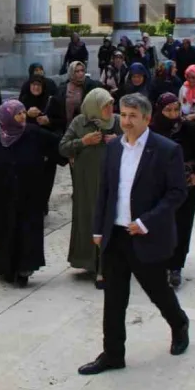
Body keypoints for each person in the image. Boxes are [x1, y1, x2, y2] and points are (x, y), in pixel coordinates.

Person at [77, 93, 190, 376]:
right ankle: (113, 354)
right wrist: (98, 229)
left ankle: (179, 324)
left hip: (145, 235)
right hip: (115, 235)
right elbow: (105, 190)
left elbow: (177, 193)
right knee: (114, 299)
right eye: (123, 115)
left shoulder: (166, 150)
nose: (125, 122)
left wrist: (146, 221)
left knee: (158, 292)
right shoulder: (113, 148)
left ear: (147, 119)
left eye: (132, 117)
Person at [0, 100, 60, 287]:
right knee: (3, 232)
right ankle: (5, 268)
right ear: (5, 117)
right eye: (18, 114)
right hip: (0, 195)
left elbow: (59, 146)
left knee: (26, 232)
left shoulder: (33, 133)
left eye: (23, 112)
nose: (22, 116)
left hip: (29, 194)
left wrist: (77, 147)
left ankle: (24, 270)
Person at [60, 88, 122, 289]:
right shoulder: (80, 122)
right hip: (86, 182)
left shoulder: (119, 122)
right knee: (89, 218)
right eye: (105, 106)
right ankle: (90, 262)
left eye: (111, 104)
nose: (110, 109)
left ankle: (107, 267)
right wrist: (83, 141)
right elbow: (63, 146)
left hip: (113, 181)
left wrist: (119, 141)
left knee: (109, 220)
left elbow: (138, 141)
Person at [151, 93, 195, 289]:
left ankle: (176, 266)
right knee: (159, 224)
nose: (172, 114)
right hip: (159, 186)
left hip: (185, 184)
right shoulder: (152, 131)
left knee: (182, 224)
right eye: (168, 110)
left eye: (176, 110)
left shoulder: (188, 128)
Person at [20, 74, 59, 215]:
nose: (35, 88)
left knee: (46, 178)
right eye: (33, 85)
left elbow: (60, 122)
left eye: (38, 85)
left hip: (46, 147)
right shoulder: (24, 100)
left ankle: (43, 203)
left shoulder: (51, 101)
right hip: (28, 146)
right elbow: (15, 121)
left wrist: (48, 121)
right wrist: (26, 114)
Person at [48, 61, 101, 135]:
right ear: (71, 73)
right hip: (66, 129)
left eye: (82, 70)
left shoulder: (90, 86)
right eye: (77, 71)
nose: (81, 73)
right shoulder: (63, 88)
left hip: (85, 129)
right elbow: (55, 108)